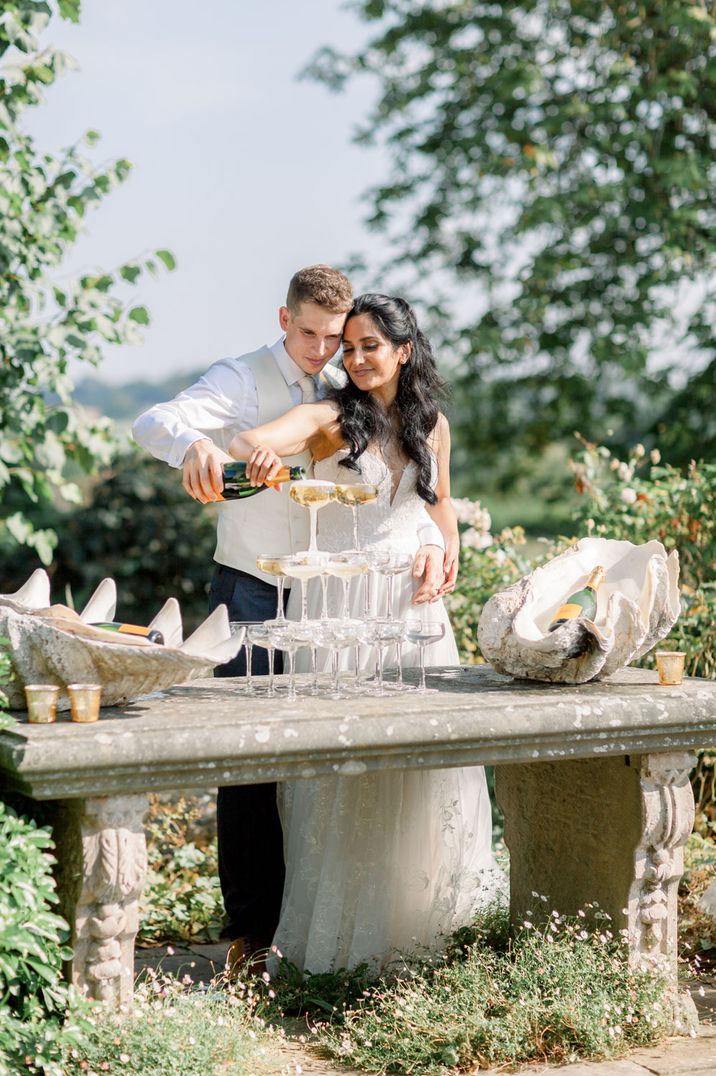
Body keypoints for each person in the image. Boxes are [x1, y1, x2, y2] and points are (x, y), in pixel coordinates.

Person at [131, 269, 450, 972]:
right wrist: (197, 448)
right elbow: (158, 420)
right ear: (285, 319)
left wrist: (434, 543)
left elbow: (418, 500)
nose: (323, 350)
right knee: (250, 758)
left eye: (335, 339)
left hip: (339, 600)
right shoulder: (241, 377)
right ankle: (251, 933)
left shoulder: (356, 390)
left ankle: (327, 920)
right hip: (252, 586)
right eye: (309, 333)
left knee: (326, 757)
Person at [228, 293, 503, 974]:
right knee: (341, 775)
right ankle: (337, 952)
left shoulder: (431, 424)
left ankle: (423, 940)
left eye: (369, 345)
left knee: (416, 773)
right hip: (340, 610)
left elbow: (441, 518)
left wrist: (445, 558)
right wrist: (256, 456)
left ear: (404, 350)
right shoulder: (328, 415)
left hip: (412, 614)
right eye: (347, 347)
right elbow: (256, 442)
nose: (353, 358)